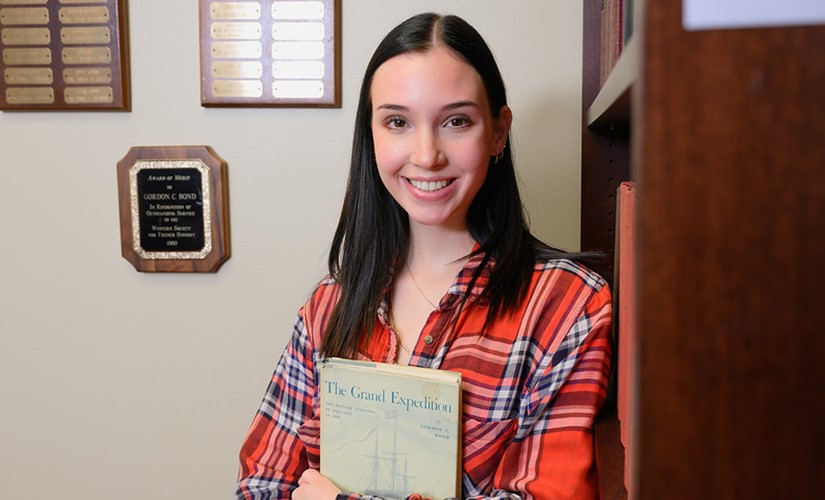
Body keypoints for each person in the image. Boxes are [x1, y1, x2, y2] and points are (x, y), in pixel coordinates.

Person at [236, 12, 612, 500]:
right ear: (371, 137)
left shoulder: (568, 306)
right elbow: (261, 484)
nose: (427, 153)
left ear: (498, 132)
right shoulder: (327, 308)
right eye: (398, 122)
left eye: (456, 121)